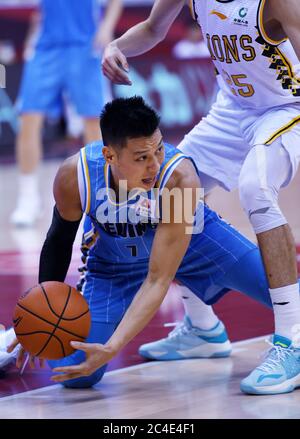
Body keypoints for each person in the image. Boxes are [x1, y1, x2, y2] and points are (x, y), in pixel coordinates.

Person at [1, 96, 300, 395]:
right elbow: (58, 241)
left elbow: (159, 278)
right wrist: (39, 316)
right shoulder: (74, 176)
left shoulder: (180, 177)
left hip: (197, 245)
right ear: (110, 156)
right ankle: (11, 339)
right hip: (113, 267)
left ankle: (207, 332)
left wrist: (114, 346)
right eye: (142, 157)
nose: (155, 164)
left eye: (158, 150)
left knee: (292, 302)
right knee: (76, 372)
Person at [101, 0, 300, 394]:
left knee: (256, 189)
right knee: (168, 190)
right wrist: (116, 46)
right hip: (232, 109)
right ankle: (202, 327)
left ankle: (292, 338)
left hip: (287, 105)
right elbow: (153, 29)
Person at [11, 0, 122, 227]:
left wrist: (107, 26)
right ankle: (28, 199)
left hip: (85, 45)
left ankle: (100, 196)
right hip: (45, 47)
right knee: (28, 119)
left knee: (94, 123)